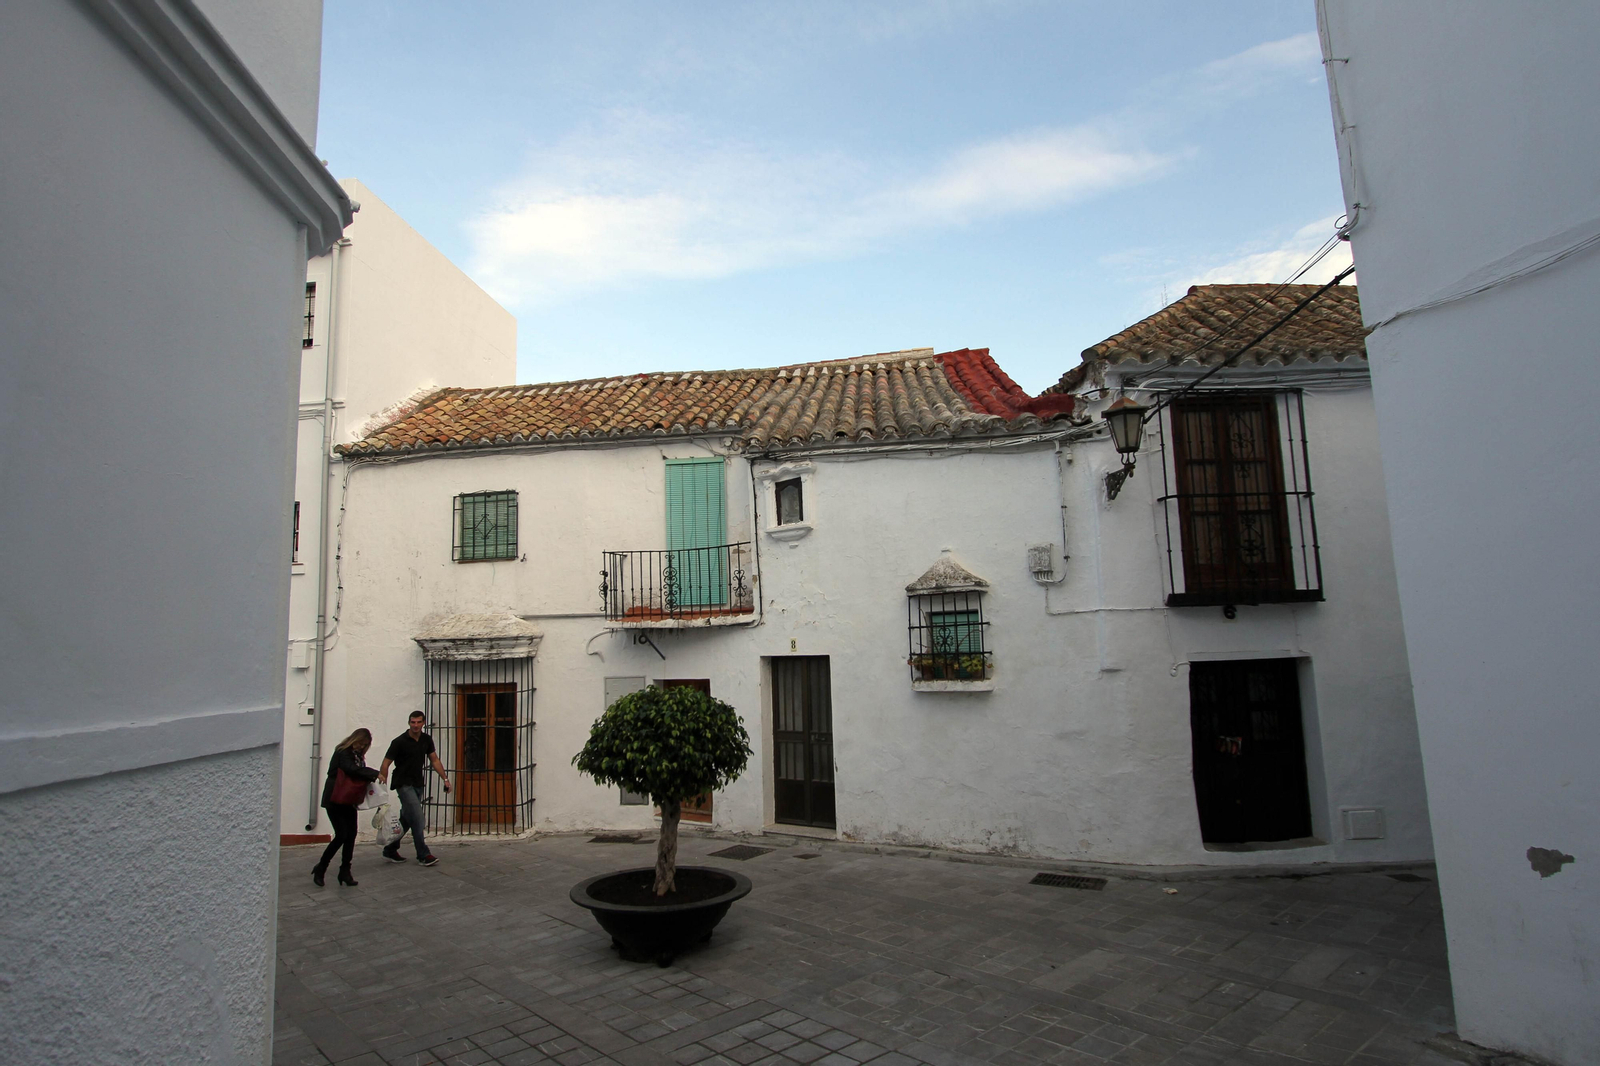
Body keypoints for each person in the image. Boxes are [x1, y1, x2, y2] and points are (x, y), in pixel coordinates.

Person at [378, 711, 450, 867]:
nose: (415, 725)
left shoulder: (426, 740)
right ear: (408, 723)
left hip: (418, 783)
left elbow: (434, 759)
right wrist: (382, 785)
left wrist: (445, 779)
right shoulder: (399, 742)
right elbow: (385, 764)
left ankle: (390, 849)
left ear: (423, 722)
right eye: (412, 722)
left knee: (407, 819)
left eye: (418, 722)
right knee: (418, 818)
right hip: (403, 784)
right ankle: (423, 854)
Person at [314, 728, 380, 887]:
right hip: (335, 798)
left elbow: (356, 771)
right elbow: (351, 769)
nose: (362, 747)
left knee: (351, 834)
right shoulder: (343, 752)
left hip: (348, 799)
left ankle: (345, 870)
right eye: (361, 744)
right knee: (341, 834)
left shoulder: (357, 756)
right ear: (355, 740)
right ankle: (321, 867)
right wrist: (374, 773)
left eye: (364, 745)